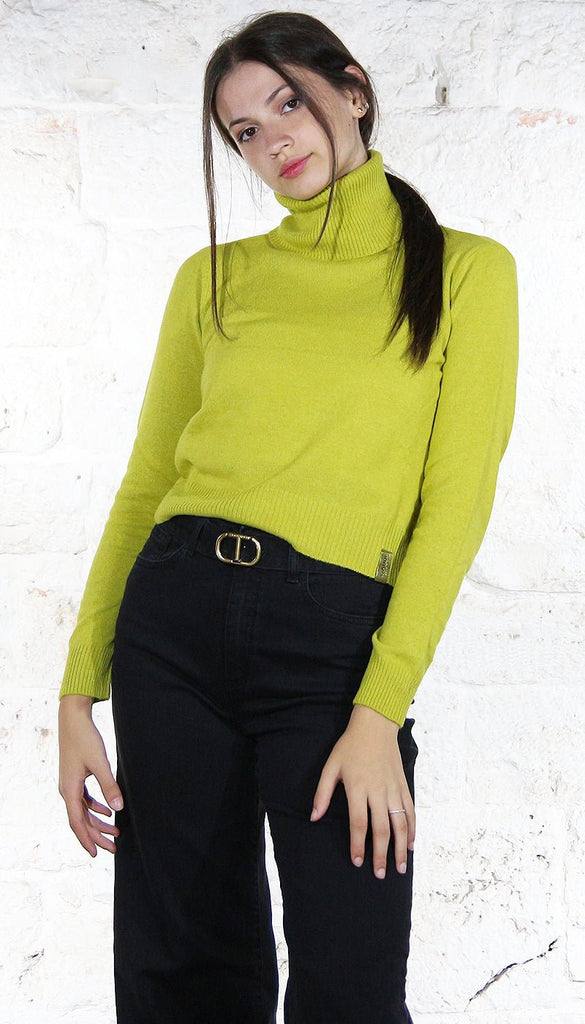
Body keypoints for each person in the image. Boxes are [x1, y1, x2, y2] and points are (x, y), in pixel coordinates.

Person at [57, 10, 519, 1024]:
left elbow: (456, 506)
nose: (274, 141)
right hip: (172, 628)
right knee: (180, 973)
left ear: (350, 89)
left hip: (331, 648)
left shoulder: (468, 272)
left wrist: (378, 714)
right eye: (245, 132)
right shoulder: (215, 278)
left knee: (351, 983)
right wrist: (77, 694)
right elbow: (145, 485)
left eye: (286, 104)